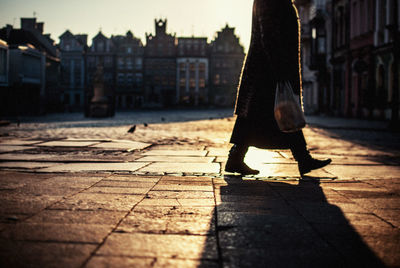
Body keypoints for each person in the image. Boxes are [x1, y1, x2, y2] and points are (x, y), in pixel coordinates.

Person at [225, 0, 331, 176]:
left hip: (267, 68)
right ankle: (302, 158)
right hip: (267, 70)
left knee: (265, 114)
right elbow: (269, 35)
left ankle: (237, 157)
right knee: (279, 112)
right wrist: (280, 69)